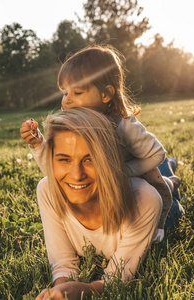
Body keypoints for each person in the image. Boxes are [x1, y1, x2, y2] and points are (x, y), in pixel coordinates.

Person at [20, 45, 180, 242]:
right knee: (165, 168)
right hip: (105, 189)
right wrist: (38, 144)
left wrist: (123, 171)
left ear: (106, 94)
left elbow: (156, 155)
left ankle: (171, 187)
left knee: (164, 204)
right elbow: (56, 171)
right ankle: (170, 172)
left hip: (138, 183)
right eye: (64, 93)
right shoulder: (69, 126)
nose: (66, 101)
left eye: (77, 92)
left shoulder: (123, 125)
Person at [34, 107, 165, 299]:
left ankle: (170, 175)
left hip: (160, 218)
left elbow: (118, 276)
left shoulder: (145, 201)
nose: (77, 175)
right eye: (64, 159)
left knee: (169, 188)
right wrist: (60, 291)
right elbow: (63, 263)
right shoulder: (48, 190)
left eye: (89, 160)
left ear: (108, 160)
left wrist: (86, 290)